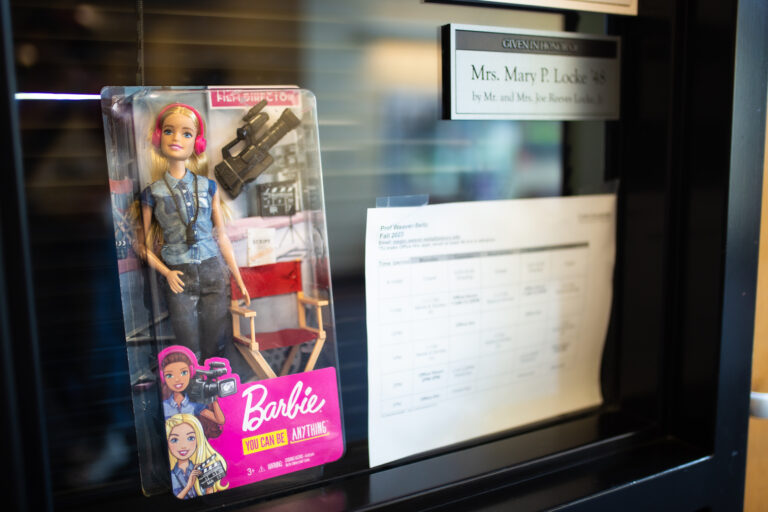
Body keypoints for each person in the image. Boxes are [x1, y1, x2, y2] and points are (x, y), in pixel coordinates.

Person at [138, 103, 249, 360]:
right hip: (179, 275)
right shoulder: (152, 193)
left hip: (212, 271)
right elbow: (141, 246)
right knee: (186, 346)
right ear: (158, 137)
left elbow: (222, 236)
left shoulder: (208, 187)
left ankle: (215, 382)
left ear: (197, 143)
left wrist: (239, 279)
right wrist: (166, 272)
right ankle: (192, 384)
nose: (176, 138)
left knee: (215, 342)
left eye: (186, 133)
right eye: (169, 131)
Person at [166, 413, 228, 499]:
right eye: (174, 440)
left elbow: (210, 498)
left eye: (190, 438)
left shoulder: (200, 470)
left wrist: (209, 487)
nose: (183, 446)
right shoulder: (170, 476)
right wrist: (189, 486)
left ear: (198, 439)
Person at [160, 347, 225, 427]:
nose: (177, 379)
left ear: (190, 372)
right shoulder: (163, 406)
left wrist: (214, 398)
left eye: (184, 373)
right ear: (163, 377)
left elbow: (220, 420)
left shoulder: (194, 404)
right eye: (169, 375)